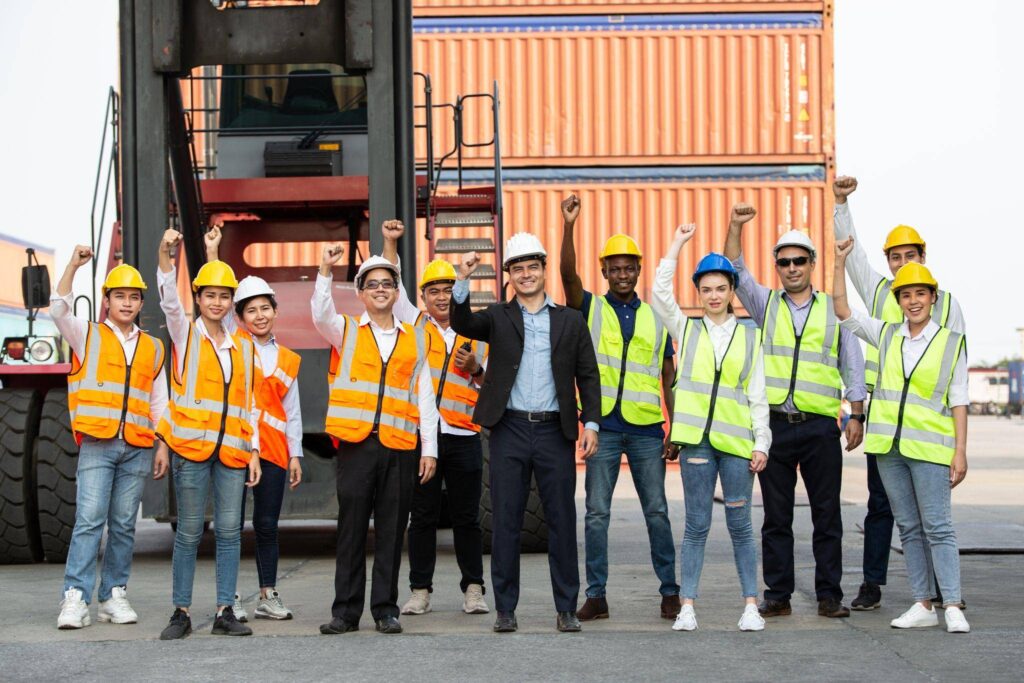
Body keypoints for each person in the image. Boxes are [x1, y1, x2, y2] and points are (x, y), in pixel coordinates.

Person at [451, 234, 601, 634]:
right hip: (510, 429)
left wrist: (591, 423)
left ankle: (566, 608)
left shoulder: (570, 320)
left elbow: (588, 374)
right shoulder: (498, 317)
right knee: (506, 520)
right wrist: (462, 279)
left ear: (543, 270)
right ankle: (506, 609)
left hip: (555, 431)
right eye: (518, 269)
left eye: (532, 267)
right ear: (510, 276)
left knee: (561, 521)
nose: (526, 274)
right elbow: (462, 323)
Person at [724, 203, 866, 619]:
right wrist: (735, 225)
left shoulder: (834, 309)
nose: (791, 268)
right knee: (776, 517)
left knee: (827, 515)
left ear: (812, 264)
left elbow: (852, 363)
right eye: (784, 262)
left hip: (820, 426)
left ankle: (829, 595)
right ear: (777, 267)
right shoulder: (765, 304)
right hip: (775, 427)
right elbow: (734, 267)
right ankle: (778, 594)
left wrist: (857, 415)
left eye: (799, 261)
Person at [832, 176, 967, 611]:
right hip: (885, 418)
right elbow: (852, 256)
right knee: (881, 506)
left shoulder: (946, 304)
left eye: (910, 255)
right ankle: (874, 584)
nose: (902, 262)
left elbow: (956, 376)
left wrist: (957, 445)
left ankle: (942, 592)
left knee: (932, 515)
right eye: (895, 257)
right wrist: (840, 204)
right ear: (887, 262)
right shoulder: (878, 291)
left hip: (927, 426)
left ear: (923, 257)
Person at [558, 194, 679, 621]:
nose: (623, 274)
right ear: (604, 271)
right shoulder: (590, 307)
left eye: (629, 268)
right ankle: (597, 596)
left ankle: (670, 592)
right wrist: (568, 225)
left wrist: (676, 428)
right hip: (603, 427)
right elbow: (567, 276)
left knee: (658, 512)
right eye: (615, 268)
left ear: (638, 271)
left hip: (647, 429)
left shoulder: (657, 317)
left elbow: (668, 376)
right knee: (596, 514)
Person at [312, 244, 438, 636]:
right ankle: (346, 612)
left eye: (387, 283)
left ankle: (385, 609)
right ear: (361, 293)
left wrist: (430, 449)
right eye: (372, 284)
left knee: (391, 530)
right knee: (351, 529)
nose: (380, 289)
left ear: (397, 293)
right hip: (357, 445)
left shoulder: (416, 338)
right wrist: (324, 271)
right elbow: (320, 314)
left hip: (399, 446)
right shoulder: (346, 330)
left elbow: (425, 396)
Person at [652, 224, 771, 632]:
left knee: (741, 526)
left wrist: (762, 443)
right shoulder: (685, 329)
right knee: (697, 525)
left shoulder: (750, 337)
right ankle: (687, 606)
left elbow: (757, 394)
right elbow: (659, 294)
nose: (714, 295)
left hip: (737, 445)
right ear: (699, 293)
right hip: (698, 445)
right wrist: (676, 243)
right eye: (706, 289)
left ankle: (751, 606)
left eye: (721, 288)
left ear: (732, 290)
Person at [377, 220, 490, 617]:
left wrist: (476, 370)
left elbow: (493, 386)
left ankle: (473, 588)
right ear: (423, 297)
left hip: (463, 436)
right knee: (422, 517)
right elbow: (393, 279)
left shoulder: (477, 329)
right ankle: (420, 590)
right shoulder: (413, 324)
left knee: (466, 518)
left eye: (447, 290)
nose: (441, 297)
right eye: (434, 291)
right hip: (423, 439)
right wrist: (390, 242)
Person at [156, 228, 263, 640]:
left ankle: (224, 611)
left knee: (231, 533)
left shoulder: (243, 347)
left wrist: (254, 450)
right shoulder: (185, 335)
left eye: (224, 296)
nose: (217, 302)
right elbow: (169, 299)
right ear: (198, 299)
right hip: (191, 451)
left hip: (233, 452)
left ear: (231, 302)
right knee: (188, 532)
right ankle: (181, 612)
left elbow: (249, 402)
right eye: (209, 296)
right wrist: (167, 254)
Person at [52, 248, 168, 629]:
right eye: (120, 296)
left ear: (141, 303)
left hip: (136, 446)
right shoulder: (86, 335)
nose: (127, 303)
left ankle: (113, 594)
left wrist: (163, 444)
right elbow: (59, 309)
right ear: (107, 300)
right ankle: (75, 597)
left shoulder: (152, 347)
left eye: (134, 297)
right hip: (98, 444)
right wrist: (73, 266)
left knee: (123, 524)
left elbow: (158, 401)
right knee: (89, 520)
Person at [203, 227, 304, 621]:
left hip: (275, 452)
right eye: (251, 310)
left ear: (275, 311)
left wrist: (295, 454)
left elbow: (292, 411)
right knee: (230, 526)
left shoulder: (289, 359)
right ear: (239, 317)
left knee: (266, 524)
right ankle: (229, 596)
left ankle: (267, 594)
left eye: (265, 308)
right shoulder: (234, 344)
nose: (259, 316)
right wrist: (213, 253)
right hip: (237, 446)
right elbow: (216, 299)